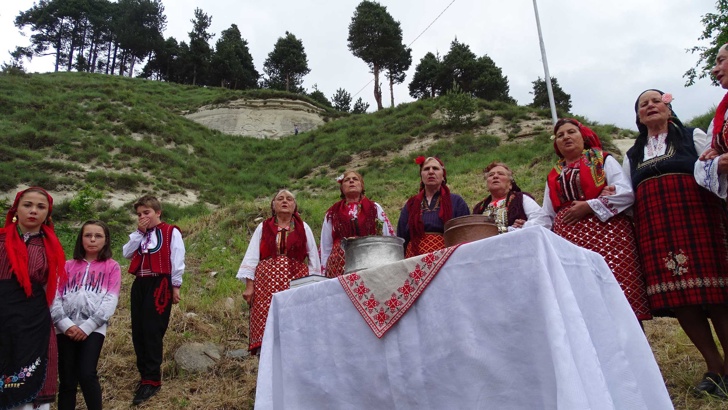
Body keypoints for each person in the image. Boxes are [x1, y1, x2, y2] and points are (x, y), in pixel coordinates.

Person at [625, 89, 728, 398]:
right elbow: (629, 196)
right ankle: (715, 368)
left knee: (716, 294)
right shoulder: (633, 153)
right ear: (639, 117)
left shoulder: (691, 136)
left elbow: (716, 168)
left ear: (668, 109)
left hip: (697, 218)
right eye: (644, 104)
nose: (650, 106)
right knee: (679, 298)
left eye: (656, 101)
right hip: (655, 227)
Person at [525, 119, 651, 323]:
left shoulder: (603, 160)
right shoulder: (554, 175)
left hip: (609, 239)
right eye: (560, 135)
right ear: (556, 144)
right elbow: (547, 214)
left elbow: (626, 192)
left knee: (619, 296)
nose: (565, 137)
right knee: (583, 302)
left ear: (582, 136)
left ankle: (634, 351)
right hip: (569, 245)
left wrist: (590, 205)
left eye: (571, 132)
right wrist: (523, 232)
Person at [0, 187, 66, 410]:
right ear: (16, 208)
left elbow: (53, 291)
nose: (33, 211)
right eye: (27, 205)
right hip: (2, 320)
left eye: (40, 207)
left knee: (30, 387)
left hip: (34, 325)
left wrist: (63, 323)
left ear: (48, 213)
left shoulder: (51, 248)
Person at [237, 189, 321, 354]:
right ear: (273, 205)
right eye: (280, 199)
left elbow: (313, 259)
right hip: (265, 283)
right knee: (265, 321)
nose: (285, 201)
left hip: (296, 281)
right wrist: (249, 286)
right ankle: (266, 360)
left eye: (289, 199)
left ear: (294, 205)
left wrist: (314, 286)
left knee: (295, 322)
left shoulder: (303, 227)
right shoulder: (263, 227)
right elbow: (252, 257)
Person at [122, 195, 185, 405]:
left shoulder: (170, 232)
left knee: (152, 329)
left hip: (160, 283)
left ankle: (152, 378)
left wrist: (176, 285)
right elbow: (126, 253)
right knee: (138, 329)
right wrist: (139, 233)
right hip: (140, 283)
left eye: (146, 212)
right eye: (139, 214)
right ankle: (144, 374)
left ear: (158, 212)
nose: (142, 217)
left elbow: (177, 257)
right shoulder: (139, 235)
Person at [51, 220, 120, 410]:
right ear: (81, 239)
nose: (92, 239)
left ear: (106, 241)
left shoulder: (112, 267)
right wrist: (65, 324)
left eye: (98, 236)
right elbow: (54, 297)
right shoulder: (66, 266)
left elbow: (110, 300)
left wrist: (88, 326)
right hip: (64, 329)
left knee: (87, 373)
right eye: (87, 235)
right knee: (67, 379)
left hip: (94, 329)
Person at [320, 171, 395, 277]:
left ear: (362, 185)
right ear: (342, 188)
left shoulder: (374, 208)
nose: (351, 181)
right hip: (339, 266)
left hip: (370, 261)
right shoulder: (332, 212)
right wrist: (323, 273)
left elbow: (387, 236)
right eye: (347, 180)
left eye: (355, 179)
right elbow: (326, 245)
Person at [397, 156, 470, 257]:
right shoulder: (411, 204)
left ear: (443, 176)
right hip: (414, 261)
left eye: (435, 168)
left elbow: (465, 235)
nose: (431, 172)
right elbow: (401, 238)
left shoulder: (456, 202)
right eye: (426, 169)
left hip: (446, 259)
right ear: (421, 176)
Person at [472, 161, 541, 233]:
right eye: (491, 175)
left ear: (510, 184)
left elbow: (541, 220)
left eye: (501, 174)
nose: (495, 176)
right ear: (487, 185)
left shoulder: (521, 199)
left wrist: (525, 226)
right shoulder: (479, 208)